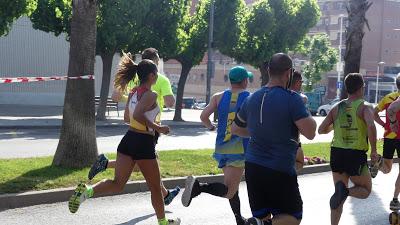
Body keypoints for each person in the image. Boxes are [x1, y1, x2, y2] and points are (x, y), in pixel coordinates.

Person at [68, 54, 180, 225]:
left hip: (128, 140)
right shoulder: (151, 94)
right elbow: (137, 115)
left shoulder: (134, 93)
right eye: (156, 73)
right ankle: (164, 223)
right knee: (156, 188)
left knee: (117, 184)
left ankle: (87, 191)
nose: (157, 76)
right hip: (143, 143)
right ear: (151, 76)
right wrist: (159, 128)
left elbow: (128, 119)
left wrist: (147, 120)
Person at [232, 53, 317, 225]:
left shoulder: (251, 98)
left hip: (253, 168)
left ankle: (260, 222)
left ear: (269, 71)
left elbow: (235, 128)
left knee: (262, 214)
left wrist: (259, 131)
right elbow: (310, 132)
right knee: (293, 217)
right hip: (279, 169)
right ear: (289, 74)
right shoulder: (292, 99)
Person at [181, 66, 252, 225]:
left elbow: (203, 116)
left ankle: (239, 219)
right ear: (245, 81)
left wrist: (212, 127)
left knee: (232, 187)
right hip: (239, 149)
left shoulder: (218, 96)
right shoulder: (250, 97)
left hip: (222, 147)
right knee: (229, 191)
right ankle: (199, 187)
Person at [318, 73, 378, 225]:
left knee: (338, 196)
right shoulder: (364, 106)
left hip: (337, 153)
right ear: (361, 88)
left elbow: (321, 129)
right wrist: (374, 151)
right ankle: (346, 191)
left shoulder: (337, 107)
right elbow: (371, 126)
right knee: (365, 190)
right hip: (355, 154)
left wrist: (336, 126)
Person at [370, 74, 400, 210]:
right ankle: (395, 199)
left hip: (389, 137)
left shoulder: (388, 98)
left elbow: (373, 113)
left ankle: (378, 162)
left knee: (387, 169)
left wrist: (384, 124)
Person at [289, 71, 308, 172]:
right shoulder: (299, 99)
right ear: (297, 82)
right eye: (301, 82)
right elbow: (310, 132)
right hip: (293, 141)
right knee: (299, 162)